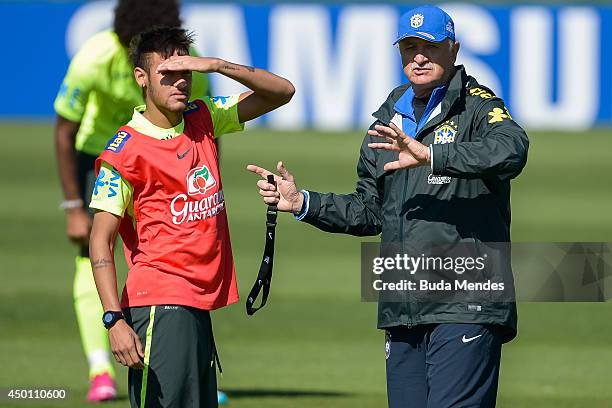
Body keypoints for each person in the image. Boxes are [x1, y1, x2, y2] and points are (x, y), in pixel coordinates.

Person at [248, 5, 528, 407]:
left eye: (429, 47)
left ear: (454, 49)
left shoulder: (478, 105)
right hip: (403, 304)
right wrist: (303, 202)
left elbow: (512, 150)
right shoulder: (388, 116)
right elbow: (370, 210)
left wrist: (434, 156)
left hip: (467, 300)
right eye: (409, 47)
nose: (418, 57)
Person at [89, 26, 294, 408]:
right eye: (168, 72)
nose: (180, 81)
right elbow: (100, 239)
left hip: (197, 303)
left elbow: (281, 92)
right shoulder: (125, 151)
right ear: (142, 78)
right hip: (158, 302)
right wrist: (113, 320)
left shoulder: (204, 118)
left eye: (187, 71)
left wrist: (217, 65)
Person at [53, 0, 210, 402]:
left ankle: (180, 364)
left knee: (165, 251)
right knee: (92, 253)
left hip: (168, 162)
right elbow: (64, 130)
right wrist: (73, 206)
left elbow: (206, 138)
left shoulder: (185, 66)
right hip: (100, 159)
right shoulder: (95, 56)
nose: (176, 76)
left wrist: (202, 185)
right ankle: (100, 369)